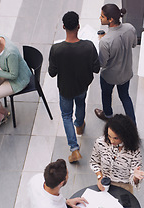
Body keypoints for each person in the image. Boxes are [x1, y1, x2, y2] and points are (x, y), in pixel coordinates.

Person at [48, 12, 100, 163]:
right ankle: (79, 125)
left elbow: (52, 73)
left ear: (63, 27)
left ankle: (74, 149)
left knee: (66, 116)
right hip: (82, 86)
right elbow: (96, 68)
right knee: (81, 103)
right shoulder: (89, 46)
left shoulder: (57, 49)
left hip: (65, 88)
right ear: (79, 26)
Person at [28, 159, 100, 208]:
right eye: (67, 174)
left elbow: (47, 195)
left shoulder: (36, 180)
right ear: (62, 183)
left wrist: (66, 201)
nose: (68, 175)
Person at [94, 4, 137, 123]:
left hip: (109, 76)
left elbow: (102, 63)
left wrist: (102, 40)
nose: (100, 18)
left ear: (110, 19)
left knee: (106, 94)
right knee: (125, 97)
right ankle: (132, 124)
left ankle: (107, 115)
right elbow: (133, 45)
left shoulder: (105, 42)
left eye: (102, 16)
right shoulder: (130, 28)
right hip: (126, 73)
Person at [90, 114, 144, 194]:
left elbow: (133, 178)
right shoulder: (100, 142)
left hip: (124, 187)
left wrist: (135, 177)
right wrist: (100, 177)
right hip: (104, 184)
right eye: (109, 136)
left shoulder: (134, 151)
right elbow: (94, 162)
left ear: (125, 136)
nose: (112, 141)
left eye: (116, 138)